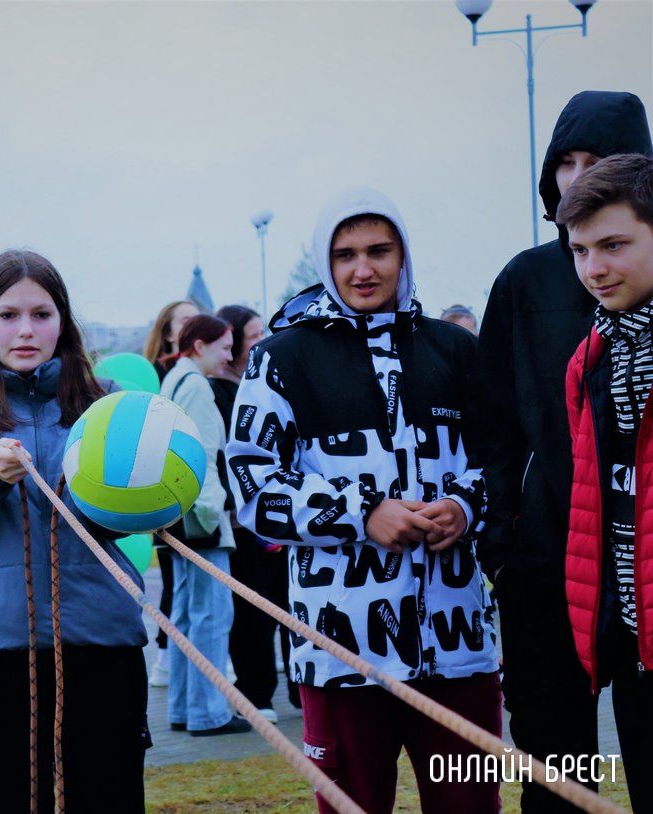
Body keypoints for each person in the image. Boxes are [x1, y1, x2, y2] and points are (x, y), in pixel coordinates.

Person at [227, 188, 499, 814]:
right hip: (341, 653)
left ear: (405, 256)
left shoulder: (455, 349)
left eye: (380, 250)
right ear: (326, 263)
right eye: (345, 254)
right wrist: (361, 513)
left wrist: (465, 506)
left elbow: (505, 463)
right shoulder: (279, 359)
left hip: (459, 651)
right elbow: (253, 489)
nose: (363, 269)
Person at [0, 249, 149, 813]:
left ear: (63, 320)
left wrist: (145, 486)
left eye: (41, 314)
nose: (26, 330)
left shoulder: (106, 402)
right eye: (8, 315)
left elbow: (145, 516)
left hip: (100, 638)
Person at [472, 90, 653, 810]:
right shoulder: (524, 279)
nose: (578, 179)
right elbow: (493, 419)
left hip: (640, 560)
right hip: (550, 553)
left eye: (598, 162)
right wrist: (502, 534)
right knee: (553, 763)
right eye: (565, 164)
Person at [558, 154, 653, 814]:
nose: (594, 269)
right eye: (581, 250)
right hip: (630, 643)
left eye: (614, 245)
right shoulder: (588, 356)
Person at [160, 314, 251, 736]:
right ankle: (208, 712)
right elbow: (202, 457)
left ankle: (183, 707)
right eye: (224, 346)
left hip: (178, 516)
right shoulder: (196, 386)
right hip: (201, 519)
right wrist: (215, 514)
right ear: (199, 346)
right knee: (212, 616)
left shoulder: (175, 380)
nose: (230, 355)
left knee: (185, 616)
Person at [210, 305, 296, 720]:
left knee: (289, 606)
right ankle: (256, 694)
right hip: (245, 522)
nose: (262, 340)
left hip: (282, 518)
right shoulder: (218, 389)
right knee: (252, 614)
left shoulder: (272, 383)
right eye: (254, 334)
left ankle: (300, 687)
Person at [142, 299, 198, 686]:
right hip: (161, 487)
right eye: (185, 321)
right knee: (173, 575)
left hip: (188, 485)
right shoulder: (160, 376)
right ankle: (165, 651)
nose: (194, 325)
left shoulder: (197, 373)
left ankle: (180, 654)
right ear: (167, 331)